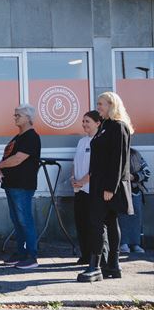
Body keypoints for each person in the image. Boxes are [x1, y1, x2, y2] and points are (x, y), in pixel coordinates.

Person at [78, 92, 133, 282]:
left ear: (112, 105)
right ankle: (113, 266)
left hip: (107, 186)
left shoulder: (118, 127)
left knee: (96, 222)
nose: (98, 106)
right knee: (109, 222)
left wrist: (110, 187)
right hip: (100, 184)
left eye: (101, 103)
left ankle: (95, 267)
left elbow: (118, 160)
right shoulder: (105, 126)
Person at [0, 104, 41, 270]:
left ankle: (31, 256)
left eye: (18, 115)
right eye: (15, 115)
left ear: (28, 118)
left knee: (25, 220)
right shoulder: (17, 138)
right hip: (11, 184)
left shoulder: (31, 137)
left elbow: (18, 158)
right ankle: (21, 254)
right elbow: (8, 157)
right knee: (17, 220)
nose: (15, 118)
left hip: (22, 185)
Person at [71, 111, 101, 264]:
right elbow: (75, 163)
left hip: (92, 190)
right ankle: (85, 255)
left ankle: (95, 258)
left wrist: (83, 181)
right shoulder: (82, 141)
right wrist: (73, 178)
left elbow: (97, 168)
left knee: (92, 225)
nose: (84, 124)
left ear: (97, 123)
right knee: (81, 223)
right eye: (83, 121)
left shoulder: (99, 141)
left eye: (87, 121)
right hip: (79, 190)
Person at [118, 148, 150, 254]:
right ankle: (123, 243)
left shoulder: (135, 153)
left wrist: (134, 177)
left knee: (136, 217)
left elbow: (147, 172)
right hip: (120, 192)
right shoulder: (114, 152)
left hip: (136, 191)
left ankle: (136, 243)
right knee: (122, 216)